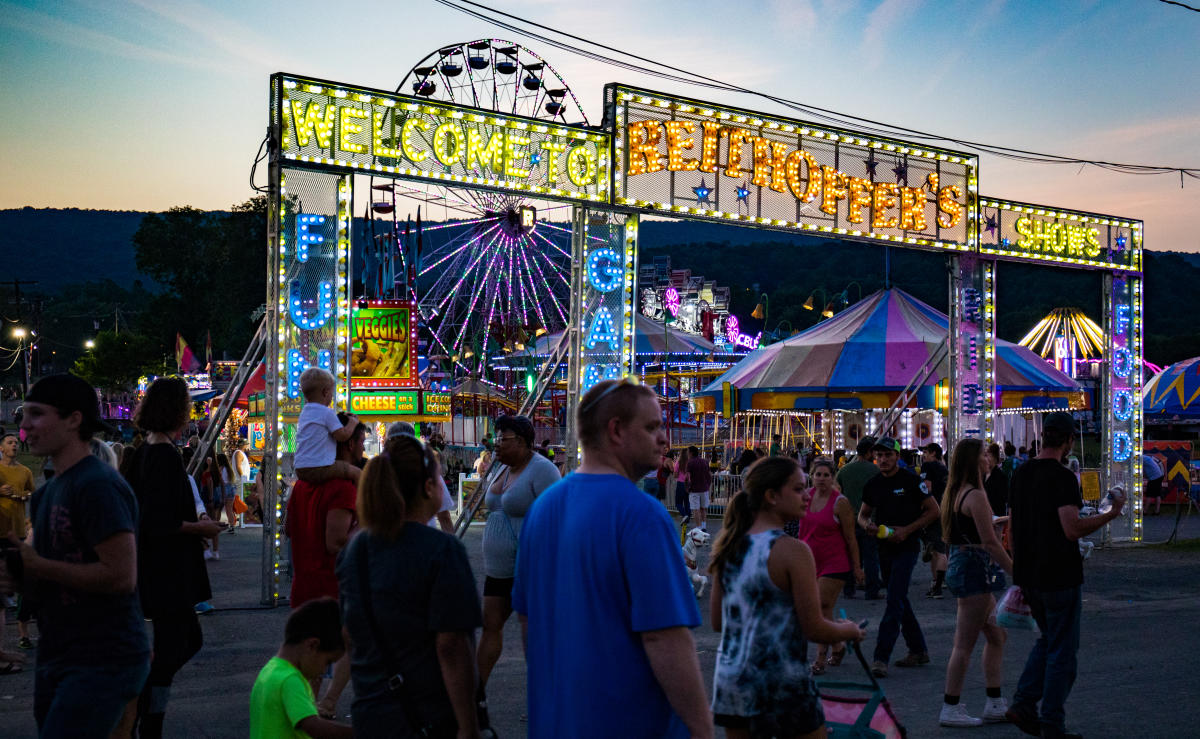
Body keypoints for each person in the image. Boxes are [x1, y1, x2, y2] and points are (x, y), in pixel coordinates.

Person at [513, 379, 711, 738]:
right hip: (629, 722)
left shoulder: (542, 510)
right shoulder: (642, 515)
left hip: (557, 720)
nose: (664, 439)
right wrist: (702, 728)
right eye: (652, 427)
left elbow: (528, 623)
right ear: (616, 430)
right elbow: (665, 639)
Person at [6, 374, 151, 735]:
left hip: (103, 657)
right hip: (57, 652)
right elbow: (46, 581)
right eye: (25, 414)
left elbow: (120, 576)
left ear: (74, 420)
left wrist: (37, 564)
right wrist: (16, 573)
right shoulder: (44, 494)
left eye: (37, 414)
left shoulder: (98, 485)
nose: (25, 425)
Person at [335, 434, 483, 737]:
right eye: (439, 479)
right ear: (428, 487)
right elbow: (452, 646)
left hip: (371, 712)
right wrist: (469, 727)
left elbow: (349, 633)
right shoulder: (442, 551)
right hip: (428, 715)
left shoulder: (356, 549)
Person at [710, 456, 865, 737]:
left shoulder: (728, 546)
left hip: (733, 679)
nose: (807, 495)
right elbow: (813, 627)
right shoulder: (793, 550)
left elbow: (719, 622)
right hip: (782, 679)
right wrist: (848, 630)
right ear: (771, 496)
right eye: (797, 489)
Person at [1006, 412, 1125, 739]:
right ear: (1069, 441)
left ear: (1043, 437)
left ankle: (1023, 703)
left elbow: (1013, 528)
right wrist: (1111, 514)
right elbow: (1071, 528)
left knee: (1047, 641)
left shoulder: (1021, 473)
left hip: (1029, 574)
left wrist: (1017, 568)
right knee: (1062, 652)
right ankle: (1051, 723)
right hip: (1059, 573)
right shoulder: (1061, 478)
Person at [124, 377, 222, 738]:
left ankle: (148, 713)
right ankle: (145, 708)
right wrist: (202, 529)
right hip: (168, 568)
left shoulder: (144, 451)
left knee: (177, 642)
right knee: (181, 642)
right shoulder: (163, 454)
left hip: (158, 566)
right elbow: (159, 521)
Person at [288, 412, 363, 719]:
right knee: (341, 648)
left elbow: (290, 530)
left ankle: (314, 710)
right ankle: (316, 711)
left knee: (309, 660)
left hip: (304, 581)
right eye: (359, 441)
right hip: (330, 586)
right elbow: (336, 542)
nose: (361, 448)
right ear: (347, 444)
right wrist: (369, 528)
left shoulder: (301, 486)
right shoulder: (342, 487)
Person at [477, 414, 560, 694]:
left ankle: (546, 696)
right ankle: (475, 693)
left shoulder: (543, 470)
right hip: (497, 568)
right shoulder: (500, 468)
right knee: (490, 625)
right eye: (496, 437)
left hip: (531, 567)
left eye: (504, 438)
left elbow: (556, 518)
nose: (497, 443)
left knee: (534, 634)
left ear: (523, 442)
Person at [938, 438, 1014, 727]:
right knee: (963, 644)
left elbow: (973, 531)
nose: (988, 459)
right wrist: (1014, 570)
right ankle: (950, 706)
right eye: (984, 454)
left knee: (997, 636)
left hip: (962, 561)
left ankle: (994, 701)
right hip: (975, 568)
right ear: (974, 461)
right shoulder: (976, 495)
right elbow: (991, 543)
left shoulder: (955, 492)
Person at [857, 436, 940, 677]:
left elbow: (934, 510)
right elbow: (861, 515)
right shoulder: (872, 484)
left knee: (894, 599)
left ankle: (880, 657)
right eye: (879, 455)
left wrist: (907, 530)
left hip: (908, 546)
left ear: (897, 456)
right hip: (884, 547)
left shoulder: (913, 481)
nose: (883, 459)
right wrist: (867, 526)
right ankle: (918, 650)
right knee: (899, 597)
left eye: (888, 455)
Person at [249, 597, 353, 738]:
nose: (323, 671)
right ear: (312, 645)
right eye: (328, 662)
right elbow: (314, 727)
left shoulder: (270, 669)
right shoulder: (290, 680)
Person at [797, 457, 863, 674]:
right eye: (818, 474)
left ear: (832, 477)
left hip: (834, 562)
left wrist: (857, 567)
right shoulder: (805, 497)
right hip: (809, 560)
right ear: (812, 476)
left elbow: (851, 537)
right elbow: (800, 529)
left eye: (826, 475)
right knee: (821, 609)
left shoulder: (840, 502)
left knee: (819, 606)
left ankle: (820, 658)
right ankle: (838, 641)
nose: (822, 479)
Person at [293, 368, 361, 485]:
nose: (331, 396)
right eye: (331, 392)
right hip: (319, 467)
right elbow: (342, 435)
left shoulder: (305, 412)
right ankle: (361, 501)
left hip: (300, 467)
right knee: (357, 473)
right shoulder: (326, 412)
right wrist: (353, 423)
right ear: (325, 392)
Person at [0, 432, 35, 659]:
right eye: (9, 443)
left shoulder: (26, 471)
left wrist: (23, 496)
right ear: (1, 448)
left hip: (19, 532)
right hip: (0, 531)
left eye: (15, 442)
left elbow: (31, 492)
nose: (14, 445)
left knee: (23, 578)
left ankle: (23, 629)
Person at [387, 422, 456, 532]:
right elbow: (444, 517)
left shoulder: (379, 473)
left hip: (386, 542)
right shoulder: (428, 471)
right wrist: (450, 545)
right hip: (424, 540)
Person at [837, 436, 882, 600]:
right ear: (870, 452)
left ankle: (849, 589)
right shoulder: (876, 471)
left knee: (850, 555)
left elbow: (837, 492)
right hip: (870, 519)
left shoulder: (845, 470)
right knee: (871, 557)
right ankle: (872, 590)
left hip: (848, 519)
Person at [919, 443, 950, 599]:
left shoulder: (927, 466)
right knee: (939, 548)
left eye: (926, 452)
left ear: (933, 453)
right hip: (945, 509)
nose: (924, 455)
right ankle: (937, 581)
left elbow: (926, 487)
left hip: (932, 510)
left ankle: (937, 585)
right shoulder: (944, 468)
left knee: (937, 550)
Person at [687, 444, 713, 532]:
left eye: (688, 452)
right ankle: (704, 526)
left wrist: (687, 487)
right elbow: (709, 475)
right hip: (704, 489)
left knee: (695, 509)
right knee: (703, 509)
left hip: (694, 489)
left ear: (691, 453)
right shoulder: (705, 461)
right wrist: (708, 485)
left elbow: (687, 477)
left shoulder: (690, 463)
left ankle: (698, 527)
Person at [984, 443, 1009, 517]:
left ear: (995, 457)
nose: (986, 459)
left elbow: (1004, 497)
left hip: (996, 513)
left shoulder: (1000, 476)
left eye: (988, 456)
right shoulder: (983, 474)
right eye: (986, 456)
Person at [674, 446, 692, 523]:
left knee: (678, 503)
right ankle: (687, 518)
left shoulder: (678, 463)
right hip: (688, 483)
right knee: (687, 501)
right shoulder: (690, 463)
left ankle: (685, 515)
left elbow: (675, 475)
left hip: (680, 483)